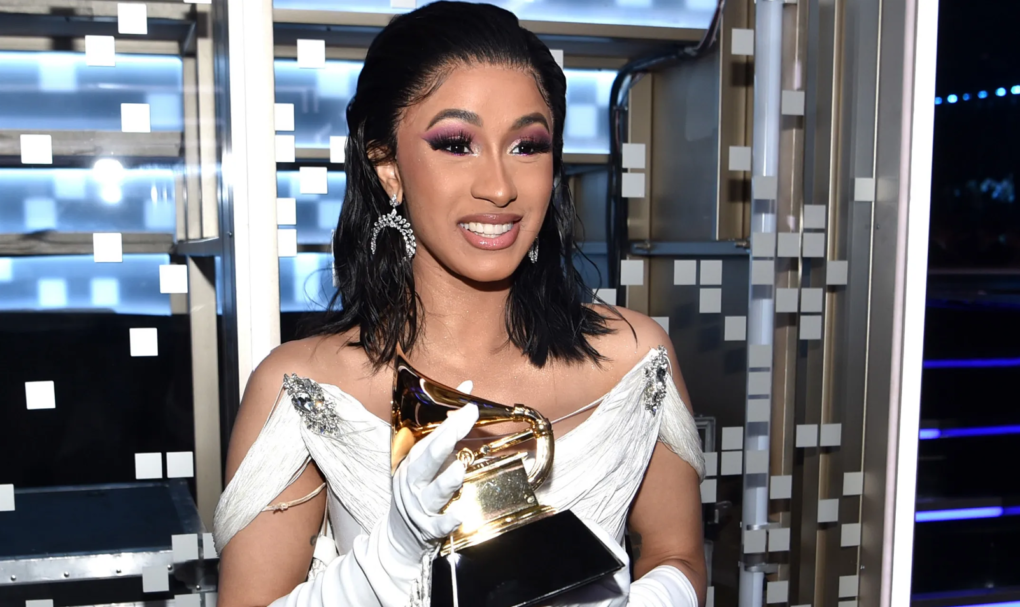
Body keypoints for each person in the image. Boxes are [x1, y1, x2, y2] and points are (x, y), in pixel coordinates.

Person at [212, 3, 706, 606]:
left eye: (527, 146)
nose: (499, 187)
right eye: (456, 143)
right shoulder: (305, 388)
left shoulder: (635, 359)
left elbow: (679, 556)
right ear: (387, 164)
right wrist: (390, 557)